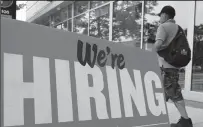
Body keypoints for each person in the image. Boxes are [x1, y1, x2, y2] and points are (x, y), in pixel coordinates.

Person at [152, 6, 193, 127]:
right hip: (173, 66)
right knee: (163, 92)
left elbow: (158, 44)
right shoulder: (178, 28)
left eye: (160, 15)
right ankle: (158, 117)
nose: (160, 18)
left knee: (174, 93)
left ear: (165, 15)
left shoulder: (163, 27)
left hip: (166, 67)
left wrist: (148, 52)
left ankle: (186, 120)